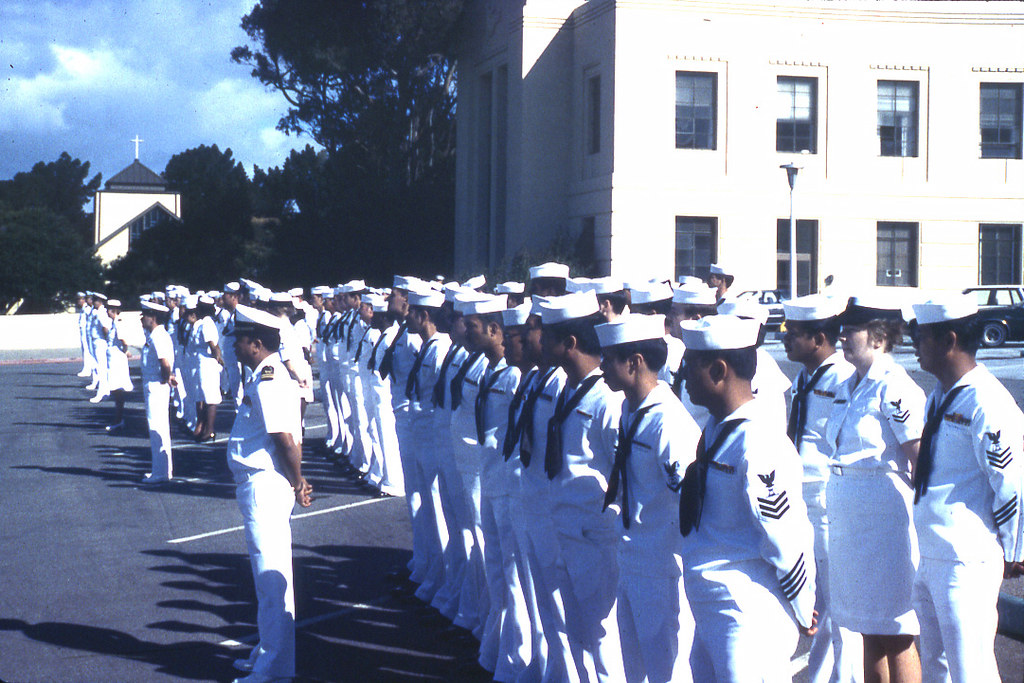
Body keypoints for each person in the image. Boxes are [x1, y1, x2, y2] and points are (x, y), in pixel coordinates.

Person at [677, 314, 817, 681]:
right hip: (713, 604)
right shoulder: (717, 429)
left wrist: (803, 606)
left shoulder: (758, 441)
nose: (682, 376)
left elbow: (784, 536)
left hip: (747, 610)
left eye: (690, 366)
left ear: (718, 371)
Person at [911, 294, 1024, 683]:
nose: (914, 344)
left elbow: (1011, 481)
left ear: (950, 340)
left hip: (966, 559)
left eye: (921, 336)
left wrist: (1016, 549)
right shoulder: (940, 395)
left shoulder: (986, 401)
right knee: (937, 668)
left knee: (971, 671)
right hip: (932, 553)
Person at [826, 295, 925, 683]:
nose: (843, 337)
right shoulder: (849, 386)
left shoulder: (894, 387)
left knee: (896, 631)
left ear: (880, 338)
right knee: (867, 628)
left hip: (885, 524)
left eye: (851, 330)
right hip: (853, 523)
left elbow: (919, 460)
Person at [597, 313, 700, 683]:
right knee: (635, 670)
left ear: (634, 362)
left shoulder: (667, 421)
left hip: (661, 567)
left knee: (667, 672)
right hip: (633, 556)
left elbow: (691, 502)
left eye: (609, 358)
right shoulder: (630, 409)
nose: (602, 366)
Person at [538, 290, 626, 683]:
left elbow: (626, 478)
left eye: (548, 335)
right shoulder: (569, 389)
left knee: (605, 642)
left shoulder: (607, 399)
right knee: (577, 634)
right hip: (566, 528)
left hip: (595, 536)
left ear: (570, 343)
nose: (540, 342)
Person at [225, 304, 312, 683]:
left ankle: (274, 669)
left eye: (240, 341)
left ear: (256, 344)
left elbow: (285, 440)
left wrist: (298, 481)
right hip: (261, 484)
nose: (234, 347)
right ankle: (267, 652)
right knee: (267, 580)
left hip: (265, 486)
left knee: (271, 581)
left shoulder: (270, 380)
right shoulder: (263, 376)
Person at [783, 294, 862, 683]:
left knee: (842, 607)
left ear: (818, 338)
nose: (785, 339)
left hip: (828, 503)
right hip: (802, 500)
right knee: (822, 606)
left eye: (794, 333)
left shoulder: (844, 378)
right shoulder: (803, 378)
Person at [139, 301, 176, 485]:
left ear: (153, 318)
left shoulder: (158, 336)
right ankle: (162, 470)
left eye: (145, 315)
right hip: (155, 385)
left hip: (156, 385)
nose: (142, 319)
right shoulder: (155, 335)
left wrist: (165, 378)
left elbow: (165, 363)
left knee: (157, 428)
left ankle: (160, 473)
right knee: (159, 428)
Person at [103, 300, 134, 430]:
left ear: (113, 310)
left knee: (117, 389)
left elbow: (124, 341)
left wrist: (125, 351)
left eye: (108, 309)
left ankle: (119, 419)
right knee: (115, 389)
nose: (106, 311)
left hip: (116, 360)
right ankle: (118, 418)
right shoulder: (114, 322)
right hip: (113, 358)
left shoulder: (118, 323)